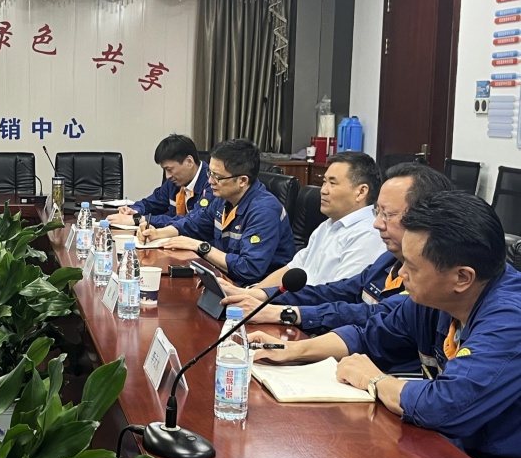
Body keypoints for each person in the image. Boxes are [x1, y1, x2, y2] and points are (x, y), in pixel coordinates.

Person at [250, 191, 521, 458]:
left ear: (462, 278)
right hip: (453, 457)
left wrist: (375, 380)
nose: (401, 274)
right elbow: (370, 335)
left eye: (412, 267)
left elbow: (445, 405)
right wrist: (296, 350)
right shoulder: (435, 299)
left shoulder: (510, 320)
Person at [220, 163, 452, 339]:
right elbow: (333, 291)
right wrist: (259, 295)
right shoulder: (386, 260)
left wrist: (282, 313)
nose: (378, 224)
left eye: (388, 215)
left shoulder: (424, 279)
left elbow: (368, 315)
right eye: (378, 213)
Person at [138, 139, 295, 285]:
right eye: (210, 173)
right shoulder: (223, 199)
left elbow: (249, 269)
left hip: (258, 290)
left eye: (217, 177)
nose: (210, 181)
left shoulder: (264, 211)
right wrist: (158, 233)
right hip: (224, 278)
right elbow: (193, 223)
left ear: (242, 181)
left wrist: (201, 247)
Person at [250, 151, 384, 288]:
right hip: (295, 298)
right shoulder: (328, 225)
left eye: (332, 183)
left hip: (311, 301)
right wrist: (252, 292)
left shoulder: (368, 235)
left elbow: (339, 294)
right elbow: (293, 268)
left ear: (361, 192)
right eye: (324, 182)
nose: (323, 190)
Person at [107, 133, 212, 228]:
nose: (167, 176)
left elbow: (192, 221)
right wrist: (134, 211)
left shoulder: (211, 184)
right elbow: (151, 203)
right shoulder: (174, 182)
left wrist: (139, 219)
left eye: (169, 169)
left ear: (189, 162)